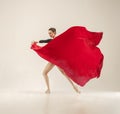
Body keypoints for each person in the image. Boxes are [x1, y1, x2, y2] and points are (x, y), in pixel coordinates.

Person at [31, 28, 80, 94]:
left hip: (56, 59)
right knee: (62, 73)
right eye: (49, 33)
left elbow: (63, 45)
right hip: (55, 59)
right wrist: (37, 41)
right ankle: (74, 87)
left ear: (54, 32)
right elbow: (47, 40)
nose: (49, 34)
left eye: (50, 33)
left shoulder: (58, 39)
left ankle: (49, 90)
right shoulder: (53, 40)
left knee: (45, 73)